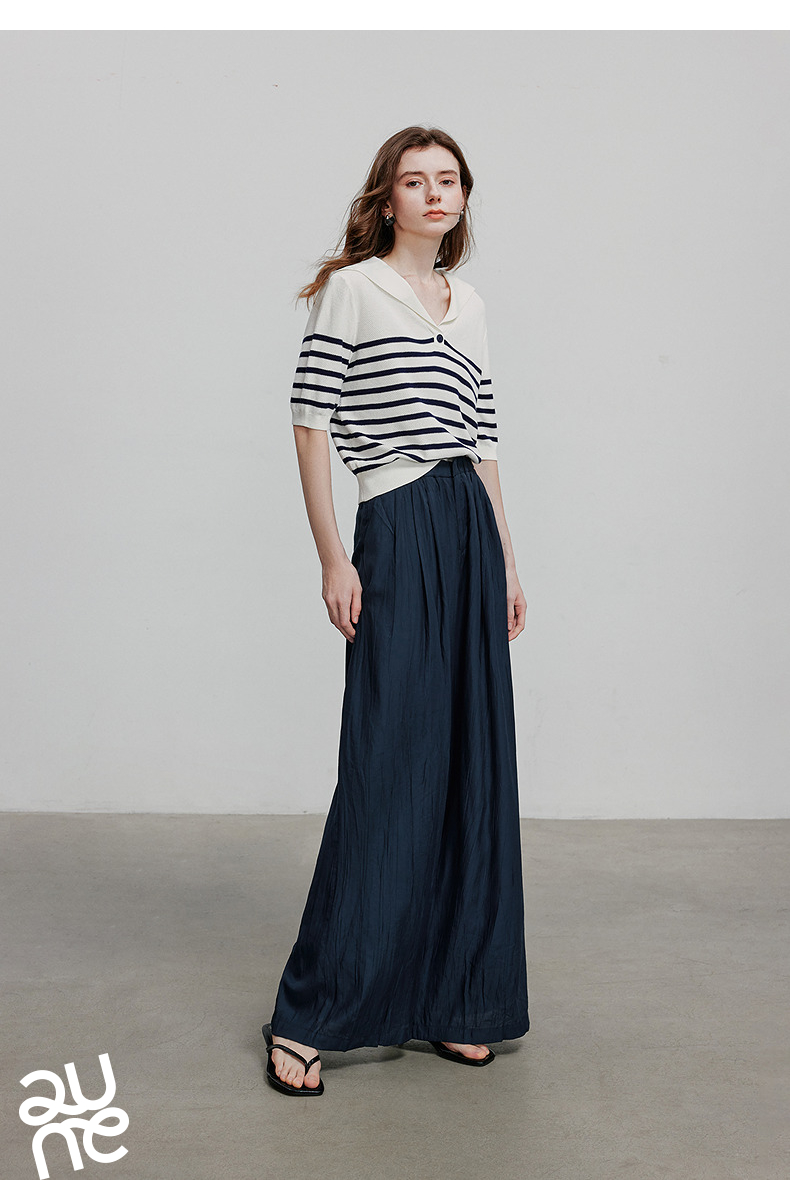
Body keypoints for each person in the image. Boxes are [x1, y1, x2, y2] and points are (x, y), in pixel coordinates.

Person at [262, 125, 530, 1096]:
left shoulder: (471, 304)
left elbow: (484, 437)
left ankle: (457, 1000)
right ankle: (311, 1015)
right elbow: (309, 423)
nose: (434, 193)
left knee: (471, 767)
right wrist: (333, 555)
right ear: (387, 199)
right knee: (387, 767)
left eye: (447, 180)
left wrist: (506, 559)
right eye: (414, 181)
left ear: (463, 197)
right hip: (395, 519)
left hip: (467, 526)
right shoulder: (354, 289)